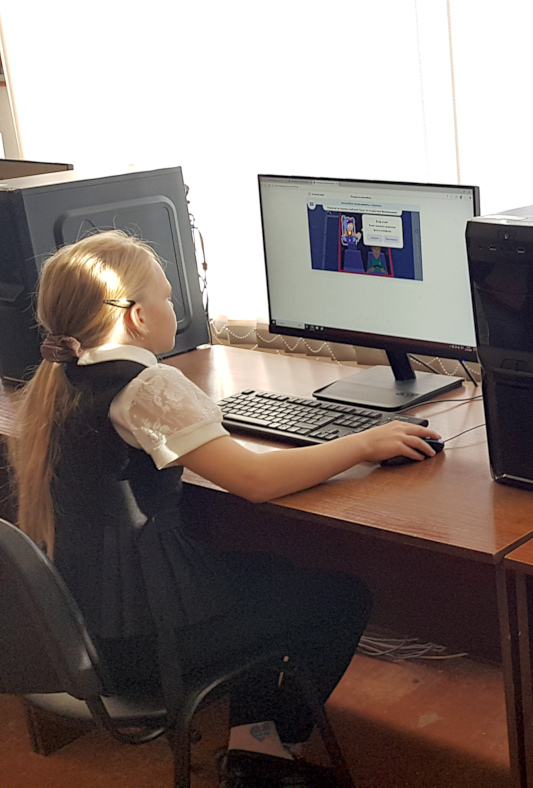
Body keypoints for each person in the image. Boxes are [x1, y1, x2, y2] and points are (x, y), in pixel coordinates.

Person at [8, 230, 441, 787]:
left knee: (267, 571)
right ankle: (267, 756)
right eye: (168, 297)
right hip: (147, 643)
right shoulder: (146, 386)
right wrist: (364, 443)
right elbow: (255, 480)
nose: (175, 308)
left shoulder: (63, 380)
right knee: (340, 597)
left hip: (84, 626)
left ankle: (251, 745)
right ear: (138, 316)